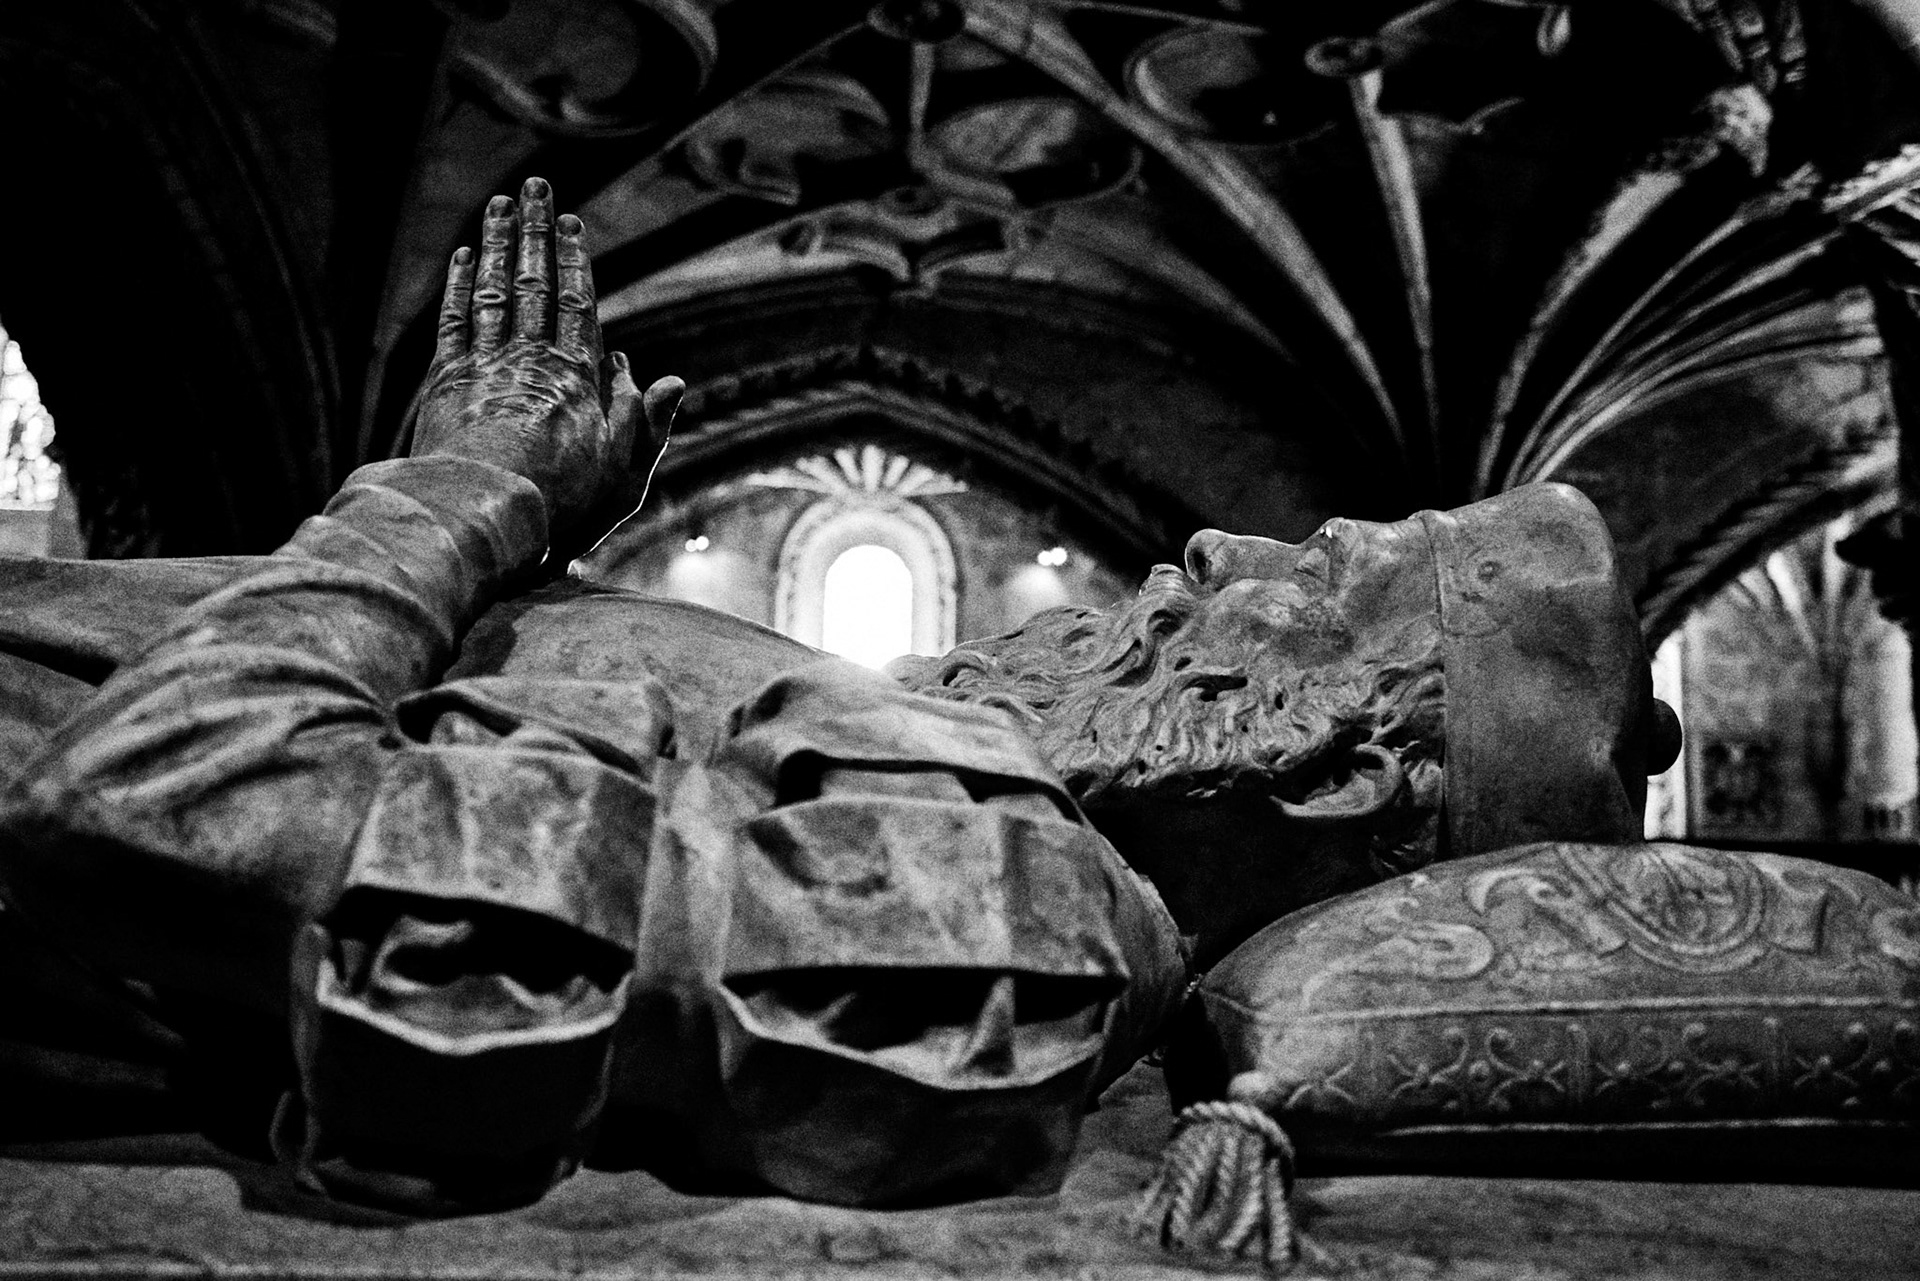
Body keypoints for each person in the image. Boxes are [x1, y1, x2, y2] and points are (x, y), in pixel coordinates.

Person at [0, 179, 1186, 1215]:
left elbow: (163, 797)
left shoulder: (996, 892)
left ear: (1291, 769)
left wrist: (465, 483)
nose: (1206, 559)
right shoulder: (915, 778)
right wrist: (528, 562)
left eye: (1278, 587)